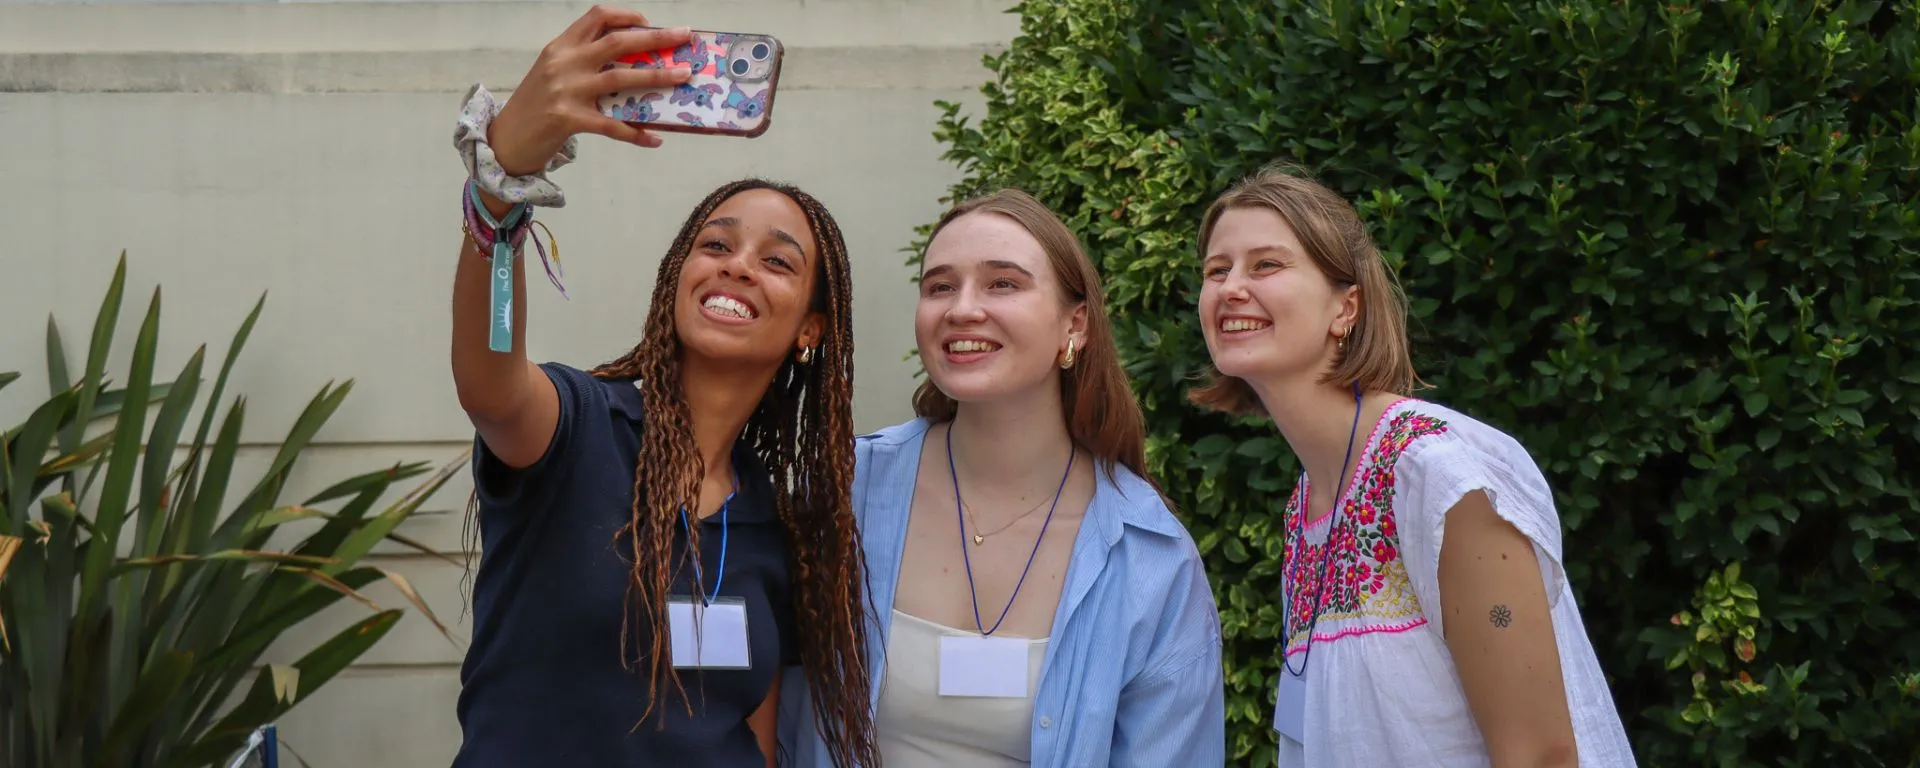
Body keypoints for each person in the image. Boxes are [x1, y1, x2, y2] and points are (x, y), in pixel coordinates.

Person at [446, 7, 875, 767]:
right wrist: (499, 197)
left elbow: (756, 739)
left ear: (810, 330)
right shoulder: (577, 428)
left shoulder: (774, 521)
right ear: (678, 276)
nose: (738, 265)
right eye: (715, 244)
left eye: (777, 262)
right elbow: (490, 385)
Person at [1189, 164, 1638, 767]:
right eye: (1217, 270)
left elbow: (1540, 755)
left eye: (1266, 264)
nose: (1232, 288)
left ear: (1346, 307)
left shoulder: (1437, 473)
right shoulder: (1307, 506)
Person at [781, 189, 1226, 767]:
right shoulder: (843, 491)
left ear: (1076, 324)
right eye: (940, 286)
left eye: (1003, 284)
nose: (962, 309)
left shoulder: (1149, 555)